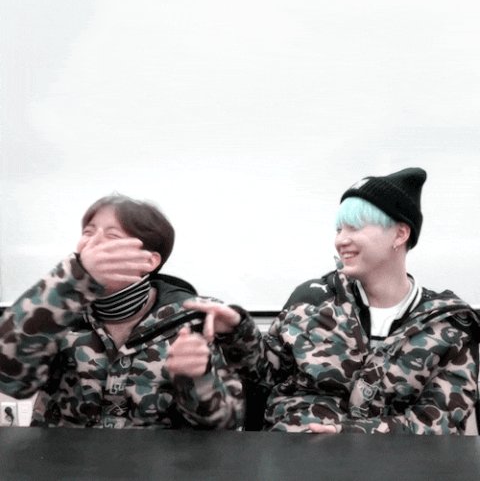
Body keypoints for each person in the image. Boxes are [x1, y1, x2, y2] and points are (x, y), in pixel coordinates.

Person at [0, 194, 262, 429]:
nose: (92, 243)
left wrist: (197, 379)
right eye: (88, 233)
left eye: (112, 236)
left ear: (149, 260)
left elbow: (225, 423)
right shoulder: (55, 310)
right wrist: (71, 281)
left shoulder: (195, 317)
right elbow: (9, 378)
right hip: (64, 459)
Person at [261, 167, 479, 434]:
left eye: (354, 227)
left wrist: (352, 434)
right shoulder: (309, 302)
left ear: (400, 234)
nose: (340, 240)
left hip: (397, 462)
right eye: (339, 229)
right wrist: (237, 332)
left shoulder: (450, 327)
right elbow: (260, 382)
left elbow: (438, 424)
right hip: (300, 455)